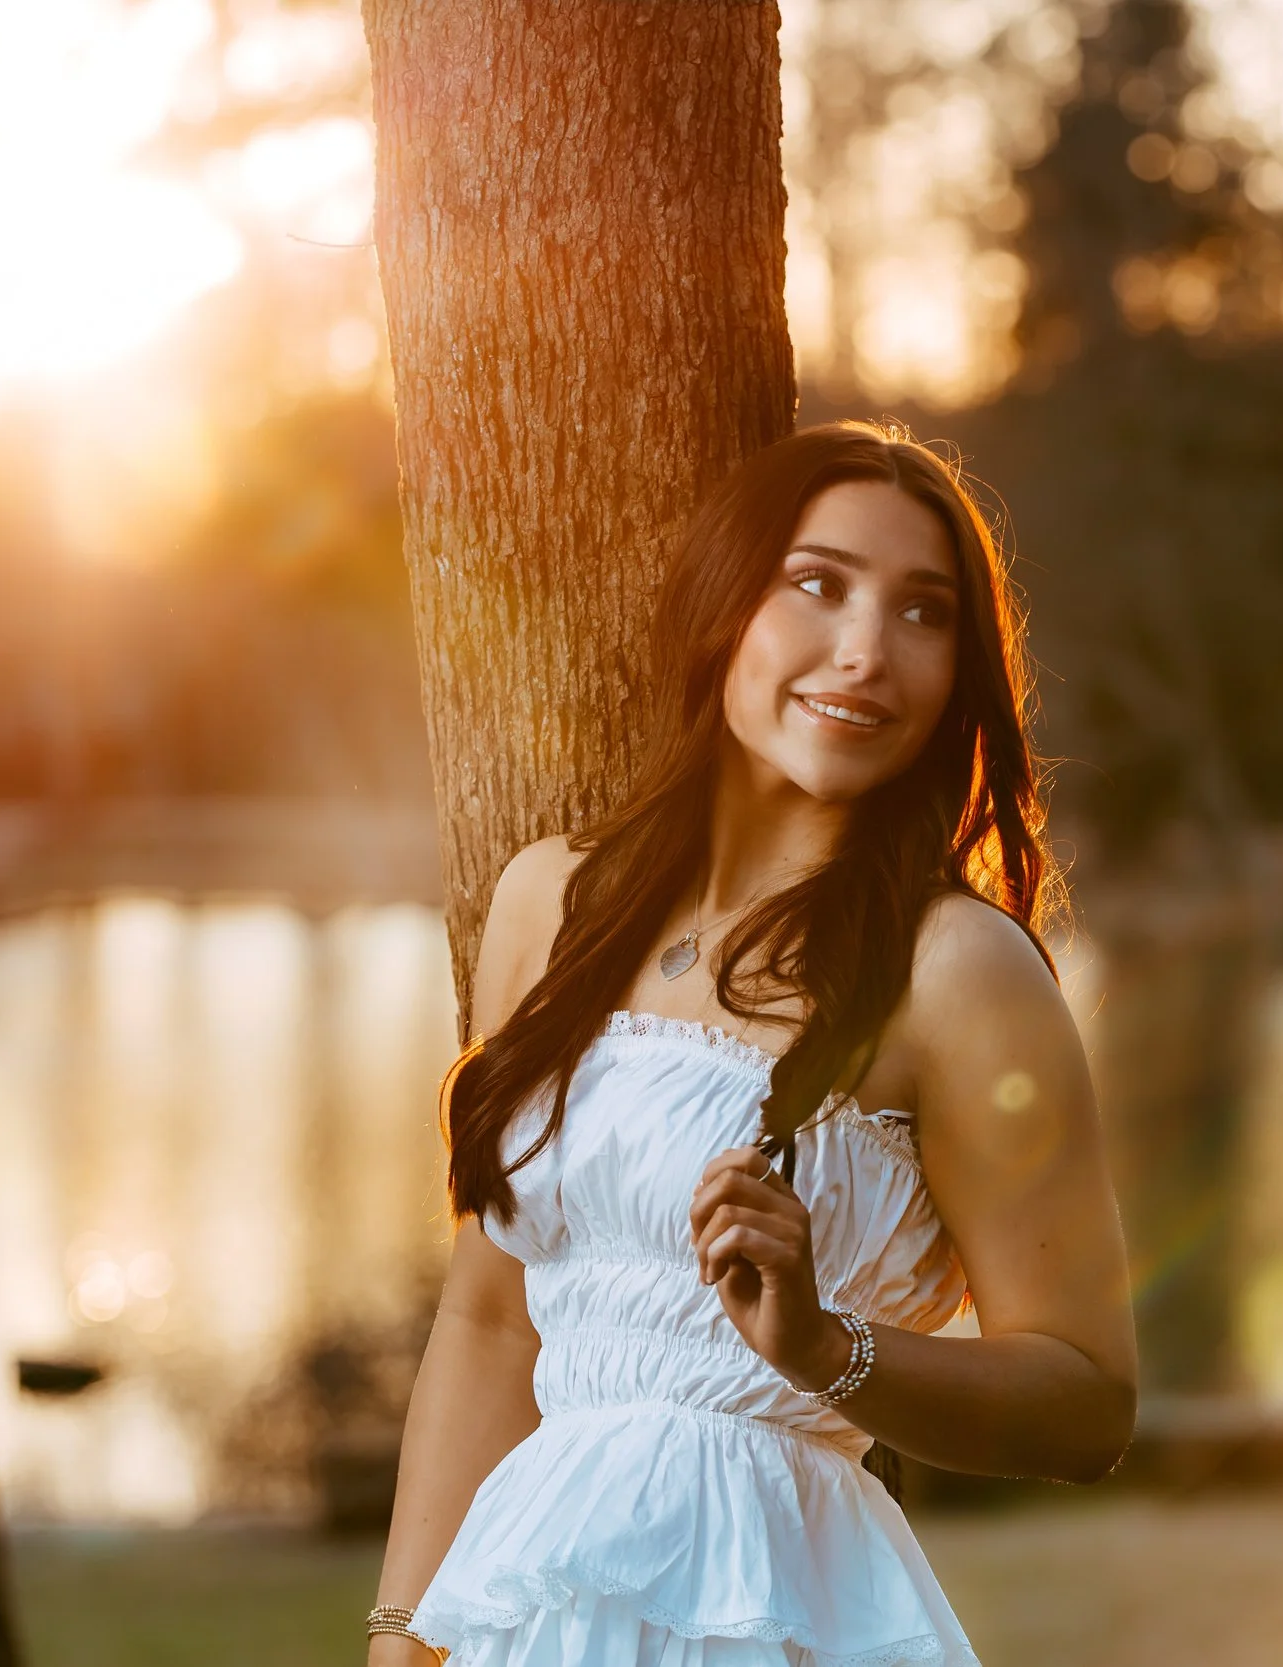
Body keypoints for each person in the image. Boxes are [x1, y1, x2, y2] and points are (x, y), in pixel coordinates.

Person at [366, 421, 1137, 1666]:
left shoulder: (956, 971)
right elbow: (492, 1324)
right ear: (727, 602)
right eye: (818, 583)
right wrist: (401, 1639)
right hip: (536, 1602)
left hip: (774, 1609)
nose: (865, 652)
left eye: (923, 613)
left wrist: (827, 1348)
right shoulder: (550, 903)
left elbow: (1089, 1399)